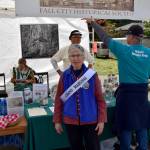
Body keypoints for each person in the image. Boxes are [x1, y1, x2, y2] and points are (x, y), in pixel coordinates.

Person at [85, 18, 150, 150]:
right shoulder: (148, 53)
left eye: (127, 35)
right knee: (142, 124)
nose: (127, 37)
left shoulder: (124, 50)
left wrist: (93, 23)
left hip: (126, 94)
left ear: (132, 36)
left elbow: (105, 37)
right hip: (142, 94)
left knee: (125, 125)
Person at [53, 44, 107, 150]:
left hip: (90, 120)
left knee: (93, 147)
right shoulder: (64, 76)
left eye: (78, 55)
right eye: (72, 56)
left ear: (83, 57)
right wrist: (57, 120)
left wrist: (101, 120)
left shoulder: (91, 75)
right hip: (70, 121)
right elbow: (59, 99)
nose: (75, 58)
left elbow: (100, 100)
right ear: (69, 58)